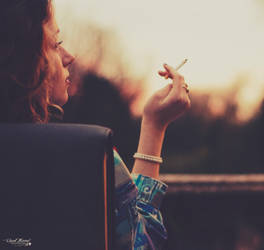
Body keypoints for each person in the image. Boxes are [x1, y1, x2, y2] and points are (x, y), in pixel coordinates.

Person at [0, 0, 191, 249]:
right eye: (56, 44)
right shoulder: (88, 156)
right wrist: (154, 127)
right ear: (27, 59)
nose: (69, 56)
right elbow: (138, 244)